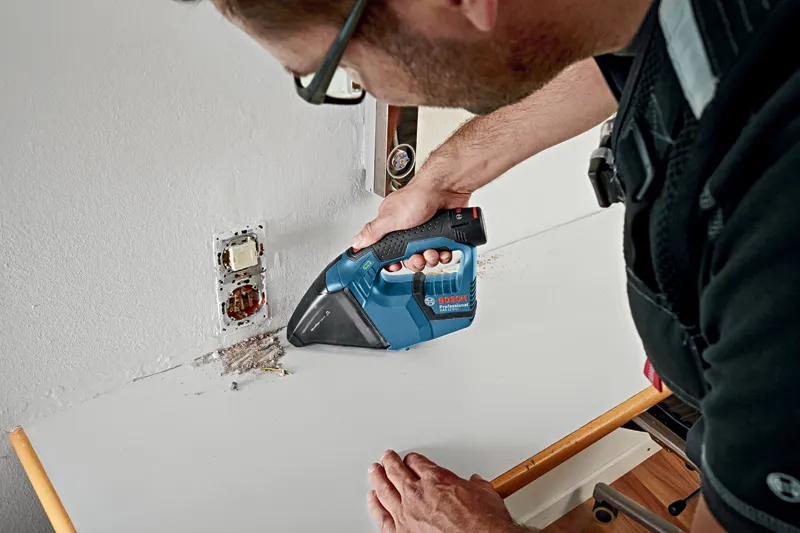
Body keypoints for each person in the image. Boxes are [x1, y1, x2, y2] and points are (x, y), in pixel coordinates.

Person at [173, 1, 800, 532]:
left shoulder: (773, 239)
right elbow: (622, 61)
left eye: (345, 70)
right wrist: (446, 177)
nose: (370, 91)